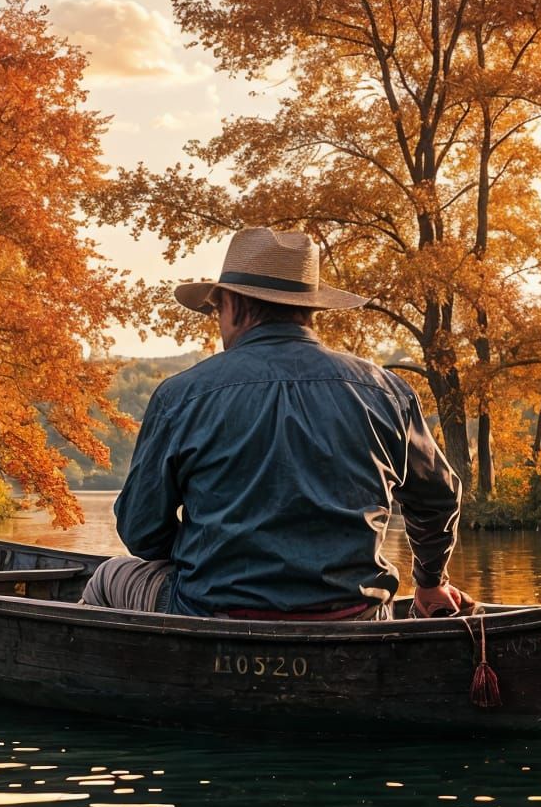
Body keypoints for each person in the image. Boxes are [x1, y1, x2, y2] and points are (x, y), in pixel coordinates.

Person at [81, 226, 465, 619]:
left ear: (232, 303)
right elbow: (438, 499)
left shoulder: (181, 395)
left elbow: (141, 532)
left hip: (213, 614)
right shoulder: (386, 392)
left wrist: (209, 555)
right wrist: (431, 581)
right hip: (355, 616)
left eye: (216, 309)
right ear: (311, 308)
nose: (217, 321)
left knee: (108, 576)